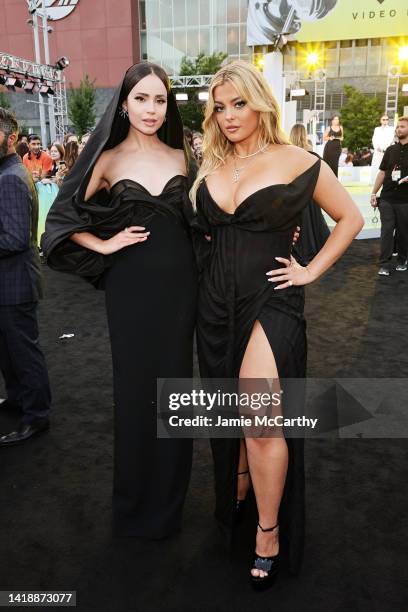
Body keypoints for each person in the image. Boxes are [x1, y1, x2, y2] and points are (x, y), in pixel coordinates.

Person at [190, 60, 363, 589]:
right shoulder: (210, 166)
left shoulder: (297, 160)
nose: (229, 116)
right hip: (216, 305)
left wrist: (309, 269)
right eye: (219, 108)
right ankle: (239, 489)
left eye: (238, 103)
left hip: (274, 301)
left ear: (260, 102)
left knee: (258, 411)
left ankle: (268, 531)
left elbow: (350, 218)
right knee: (233, 413)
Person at [41, 62, 198, 539]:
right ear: (124, 103)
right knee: (134, 394)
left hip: (181, 292)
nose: (152, 109)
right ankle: (134, 508)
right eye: (142, 99)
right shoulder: (107, 160)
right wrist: (105, 245)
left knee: (175, 393)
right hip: (130, 291)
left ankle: (169, 507)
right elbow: (64, 218)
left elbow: (208, 217)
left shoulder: (183, 155)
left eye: (160, 100)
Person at [0, 108, 51, 445]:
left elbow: (15, 238)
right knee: (8, 351)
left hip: (15, 282)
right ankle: (19, 399)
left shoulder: (11, 177)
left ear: (11, 138)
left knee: (23, 352)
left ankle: (37, 416)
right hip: (9, 281)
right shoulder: (7, 173)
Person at [370, 116, 408, 275]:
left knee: (404, 232)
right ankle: (384, 263)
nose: (399, 129)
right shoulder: (390, 150)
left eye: (403, 127)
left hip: (405, 199)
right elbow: (382, 173)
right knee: (386, 230)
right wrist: (374, 192)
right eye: (398, 127)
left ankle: (402, 259)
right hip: (386, 197)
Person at [289, 123, 331, 265]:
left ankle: (300, 254)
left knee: (299, 227)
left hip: (294, 199)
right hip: (311, 197)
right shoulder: (313, 156)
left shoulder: (288, 156)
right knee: (312, 224)